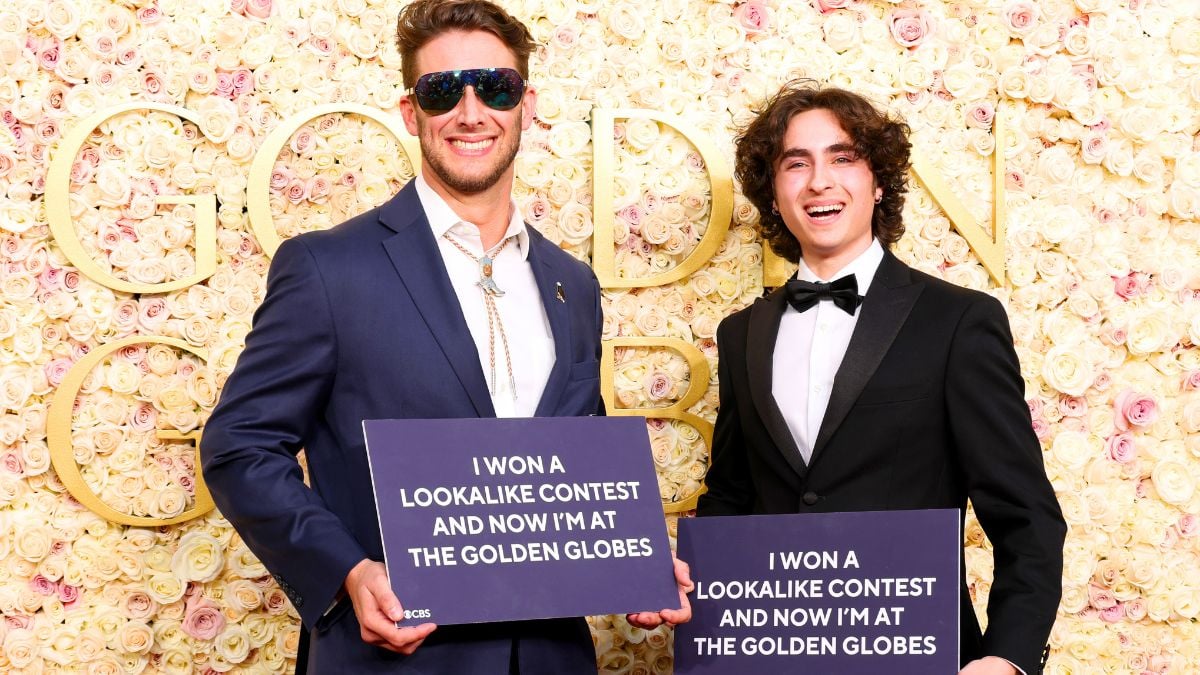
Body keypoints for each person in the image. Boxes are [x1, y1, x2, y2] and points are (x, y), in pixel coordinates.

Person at [201, 1, 687, 672]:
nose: (469, 111)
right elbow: (239, 444)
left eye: (494, 87)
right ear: (411, 113)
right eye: (441, 90)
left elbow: (571, 462)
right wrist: (346, 571)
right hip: (395, 656)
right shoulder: (328, 268)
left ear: (526, 104)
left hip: (550, 656)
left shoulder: (572, 282)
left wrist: (633, 556)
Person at [696, 82, 1066, 675]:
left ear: (877, 181)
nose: (820, 181)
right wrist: (684, 580)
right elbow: (734, 495)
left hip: (926, 656)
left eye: (843, 158)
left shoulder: (959, 321)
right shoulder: (742, 332)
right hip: (773, 656)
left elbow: (1025, 515)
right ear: (775, 192)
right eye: (797, 163)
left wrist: (1008, 657)